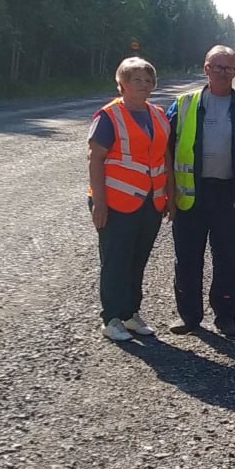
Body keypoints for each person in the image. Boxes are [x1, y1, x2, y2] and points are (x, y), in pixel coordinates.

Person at [166, 45, 235, 336]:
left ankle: (226, 317)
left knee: (226, 258)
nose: (224, 73)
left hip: (231, 196)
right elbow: (164, 151)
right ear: (206, 69)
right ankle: (188, 317)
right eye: (218, 67)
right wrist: (166, 193)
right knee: (187, 258)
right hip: (191, 194)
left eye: (230, 68)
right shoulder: (184, 104)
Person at [88, 57, 171, 342]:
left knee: (138, 259)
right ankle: (111, 318)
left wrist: (169, 193)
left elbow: (164, 157)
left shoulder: (158, 114)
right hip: (115, 202)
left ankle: (130, 313)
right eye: (137, 80)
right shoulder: (108, 116)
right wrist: (99, 202)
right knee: (115, 260)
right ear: (122, 84)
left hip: (151, 202)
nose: (144, 85)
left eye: (148, 80)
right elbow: (95, 159)